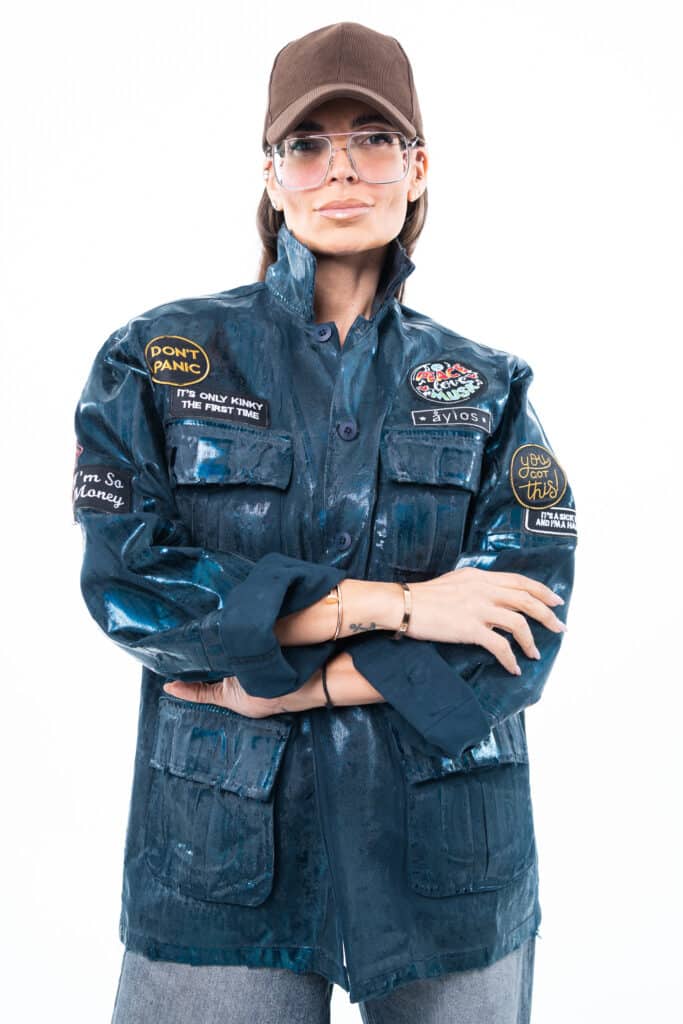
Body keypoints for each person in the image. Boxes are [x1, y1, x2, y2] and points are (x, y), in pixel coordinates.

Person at [72, 20, 578, 1024]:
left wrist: (291, 689)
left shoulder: (489, 388)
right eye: (307, 144)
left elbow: (519, 633)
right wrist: (393, 605)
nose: (340, 169)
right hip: (216, 859)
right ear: (270, 176)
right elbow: (133, 588)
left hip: (446, 861)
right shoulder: (153, 359)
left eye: (373, 140)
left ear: (417, 167)